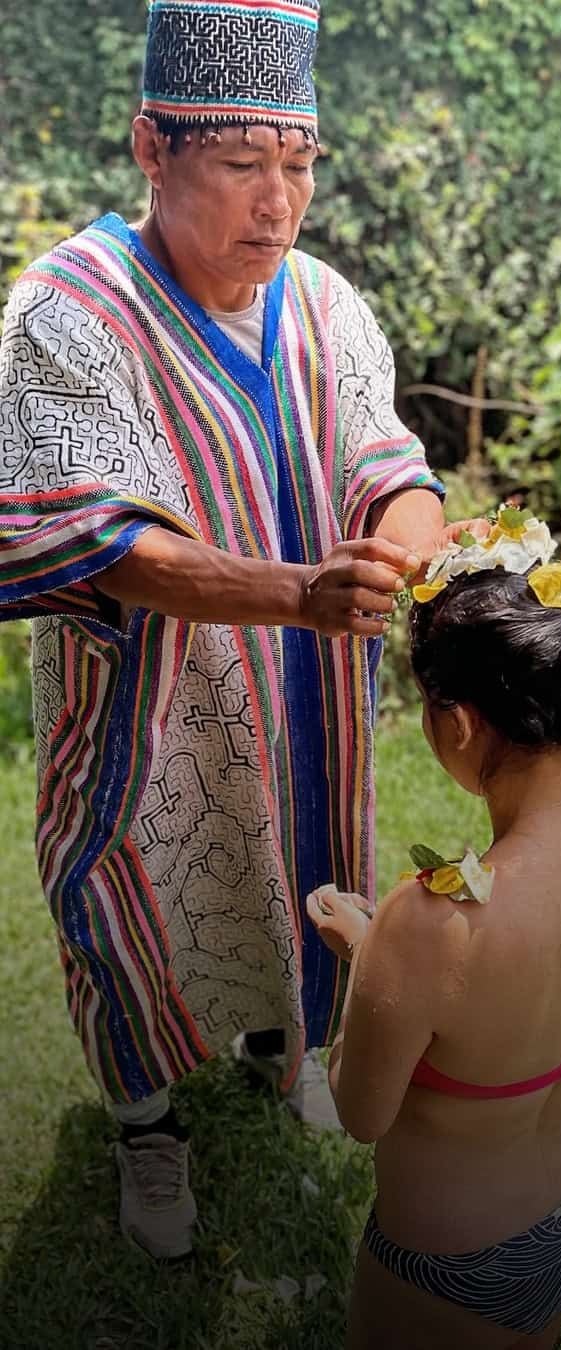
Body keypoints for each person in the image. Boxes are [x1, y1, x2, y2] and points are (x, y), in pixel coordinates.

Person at [0, 0, 485, 1261]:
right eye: (239, 164)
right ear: (150, 147)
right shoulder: (68, 308)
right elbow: (79, 528)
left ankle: (282, 1052)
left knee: (288, 860)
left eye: (298, 164)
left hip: (303, 696)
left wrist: (407, 547)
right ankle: (146, 1124)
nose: (277, 204)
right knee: (125, 886)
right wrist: (295, 595)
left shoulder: (318, 301)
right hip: (144, 703)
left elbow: (390, 459)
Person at [308, 507, 561, 1350]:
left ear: (463, 722)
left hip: (454, 1250)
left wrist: (373, 962)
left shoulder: (430, 923)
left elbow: (360, 1112)